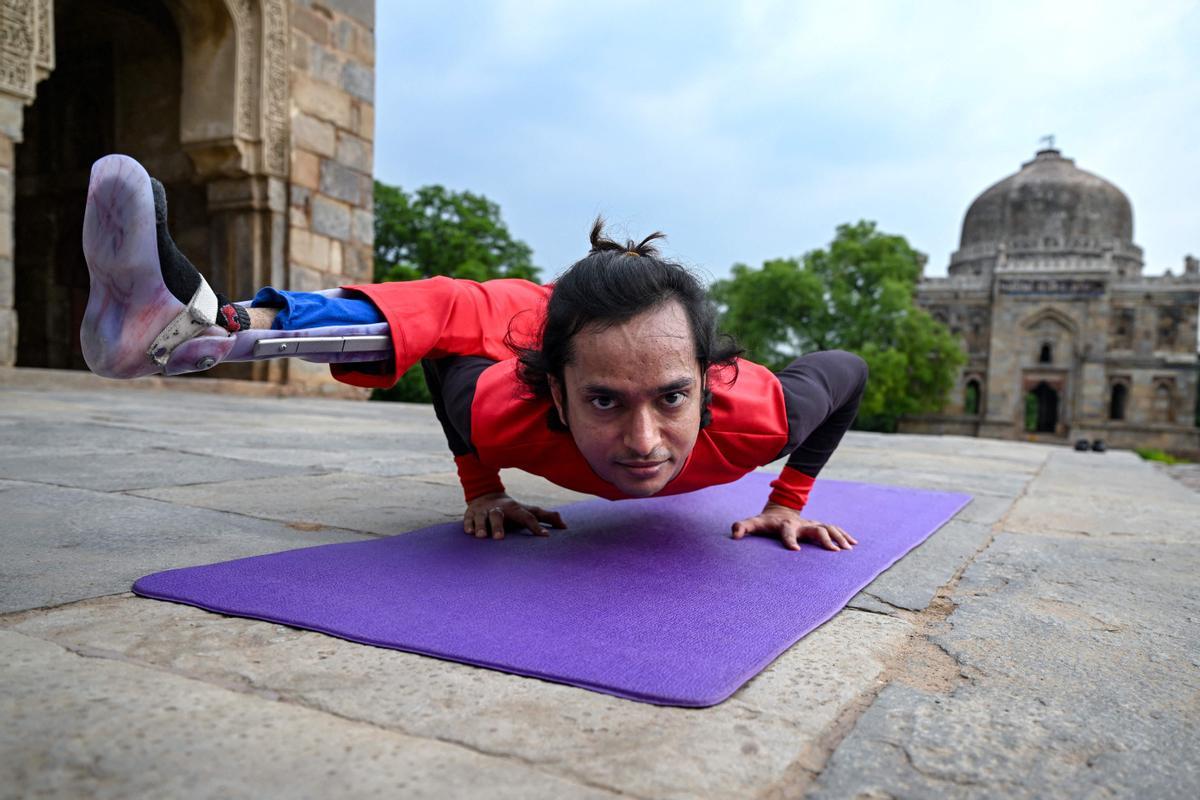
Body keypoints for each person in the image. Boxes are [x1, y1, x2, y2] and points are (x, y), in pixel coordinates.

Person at [81, 154, 866, 552]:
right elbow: (440, 349)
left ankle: (196, 324)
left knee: (463, 312)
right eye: (603, 402)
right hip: (530, 320)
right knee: (448, 305)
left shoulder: (759, 415)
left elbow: (848, 372)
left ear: (707, 381)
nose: (642, 444)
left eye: (670, 398)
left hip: (609, 337)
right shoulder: (508, 406)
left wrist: (786, 500)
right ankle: (208, 323)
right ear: (552, 397)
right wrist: (481, 486)